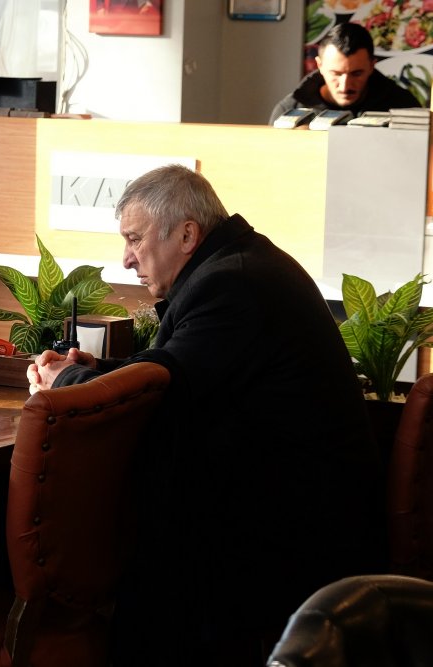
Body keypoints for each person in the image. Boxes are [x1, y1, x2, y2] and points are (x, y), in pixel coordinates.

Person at [28, 165, 384, 666]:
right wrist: (95, 370)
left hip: (285, 540)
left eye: (134, 239)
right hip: (281, 513)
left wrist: (64, 382)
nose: (126, 259)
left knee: (125, 554)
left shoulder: (232, 284)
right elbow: (180, 367)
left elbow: (165, 395)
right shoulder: (238, 265)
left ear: (187, 235)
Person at [269, 22, 420, 124]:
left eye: (357, 73)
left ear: (371, 66)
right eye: (336, 73)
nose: (345, 86)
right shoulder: (288, 111)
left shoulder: (403, 109)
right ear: (320, 65)